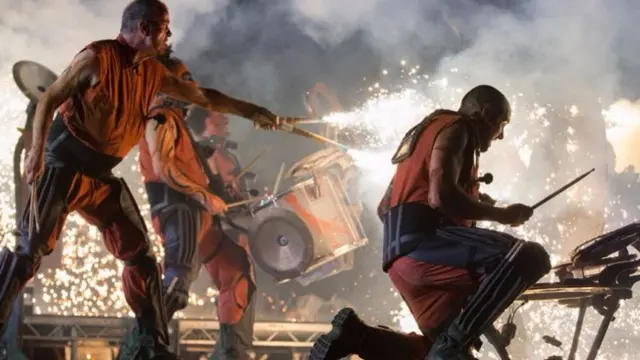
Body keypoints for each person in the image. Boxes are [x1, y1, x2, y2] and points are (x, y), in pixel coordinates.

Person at [0, 1, 289, 359]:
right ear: (146, 28)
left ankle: (152, 345)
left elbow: (203, 96)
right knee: (29, 253)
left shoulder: (152, 73)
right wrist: (35, 152)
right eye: (165, 27)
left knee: (141, 256)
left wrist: (253, 112)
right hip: (63, 166)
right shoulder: (97, 58)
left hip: (101, 177)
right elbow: (50, 99)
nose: (169, 35)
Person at [310, 85, 551, 360]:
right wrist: (503, 215)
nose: (502, 135)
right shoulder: (459, 127)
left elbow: (385, 207)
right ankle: (449, 347)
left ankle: (358, 337)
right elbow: (441, 197)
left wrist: (471, 204)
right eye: (502, 124)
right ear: (485, 113)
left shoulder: (426, 132)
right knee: (528, 256)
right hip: (426, 245)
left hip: (400, 258)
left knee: (438, 351)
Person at [122, 50, 257, 359]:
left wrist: (222, 196)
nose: (191, 83)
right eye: (184, 79)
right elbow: (165, 169)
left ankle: (231, 352)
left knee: (236, 271)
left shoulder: (179, 124)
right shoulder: (159, 118)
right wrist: (204, 196)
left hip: (201, 215)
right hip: (178, 209)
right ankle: (139, 349)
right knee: (178, 280)